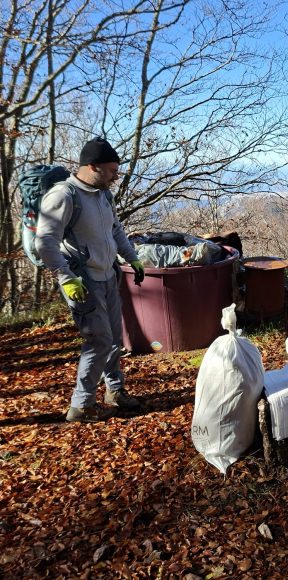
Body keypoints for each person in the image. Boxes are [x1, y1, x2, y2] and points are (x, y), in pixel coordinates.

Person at [35, 137, 145, 423]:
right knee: (99, 341)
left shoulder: (102, 195)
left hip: (108, 275)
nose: (115, 177)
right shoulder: (64, 196)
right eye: (111, 171)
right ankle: (81, 405)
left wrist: (131, 258)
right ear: (93, 167)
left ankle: (115, 391)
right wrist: (65, 276)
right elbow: (45, 241)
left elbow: (116, 230)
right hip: (81, 281)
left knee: (113, 338)